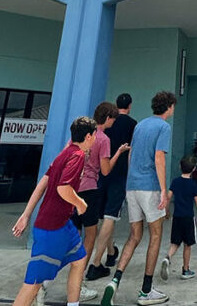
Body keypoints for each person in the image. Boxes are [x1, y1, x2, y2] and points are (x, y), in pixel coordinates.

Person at [10, 117, 98, 306]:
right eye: (95, 136)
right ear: (89, 136)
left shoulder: (64, 154)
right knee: (33, 284)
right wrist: (81, 203)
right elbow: (63, 188)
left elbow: (43, 183)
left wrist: (26, 215)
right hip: (52, 228)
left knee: (80, 259)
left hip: (64, 225)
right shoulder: (77, 156)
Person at [102, 91, 176, 306]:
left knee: (134, 237)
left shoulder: (141, 124)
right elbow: (159, 157)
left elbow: (132, 154)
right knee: (155, 235)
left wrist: (129, 183)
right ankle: (145, 290)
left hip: (132, 186)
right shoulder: (164, 127)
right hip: (150, 187)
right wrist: (163, 190)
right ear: (169, 106)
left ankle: (114, 281)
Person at [72, 102, 126, 285]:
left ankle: (45, 282)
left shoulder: (81, 134)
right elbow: (105, 171)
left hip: (72, 189)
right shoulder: (102, 139)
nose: (113, 123)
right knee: (90, 236)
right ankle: (79, 279)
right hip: (89, 190)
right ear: (108, 118)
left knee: (69, 235)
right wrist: (118, 153)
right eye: (113, 119)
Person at [88, 94, 134, 280]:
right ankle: (96, 262)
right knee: (110, 216)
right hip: (118, 174)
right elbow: (131, 152)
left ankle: (111, 251)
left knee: (104, 216)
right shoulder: (132, 124)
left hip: (99, 176)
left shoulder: (98, 130)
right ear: (129, 106)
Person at [160, 156, 197, 281]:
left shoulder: (175, 182)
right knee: (188, 244)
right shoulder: (192, 184)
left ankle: (167, 257)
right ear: (194, 169)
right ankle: (185, 270)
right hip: (188, 218)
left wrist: (166, 211)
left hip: (177, 217)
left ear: (180, 167)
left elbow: (168, 197)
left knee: (175, 243)